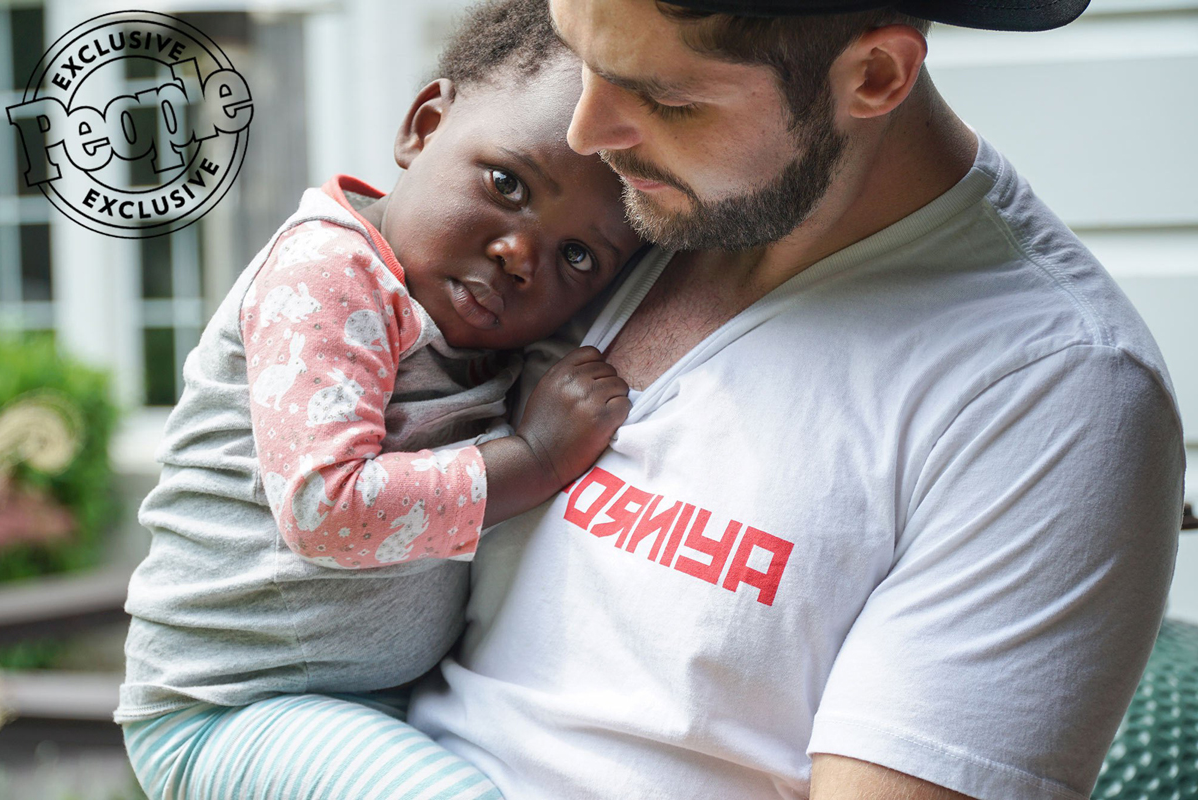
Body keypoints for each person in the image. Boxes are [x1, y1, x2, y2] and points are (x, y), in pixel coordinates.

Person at [407, 1, 1186, 798]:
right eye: (583, 58)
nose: (586, 131)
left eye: (667, 98)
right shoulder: (586, 219)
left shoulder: (1050, 394)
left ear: (875, 76)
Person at [114, 2, 641, 797]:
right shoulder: (330, 273)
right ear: (423, 127)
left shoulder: (491, 332)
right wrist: (533, 457)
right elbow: (325, 508)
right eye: (507, 183)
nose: (521, 255)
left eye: (577, 254)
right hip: (229, 705)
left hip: (372, 702)